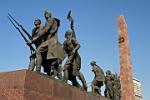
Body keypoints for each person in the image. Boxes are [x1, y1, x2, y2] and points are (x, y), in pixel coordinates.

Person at [32, 10, 65, 78]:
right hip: (50, 41)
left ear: (49, 14)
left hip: (51, 41)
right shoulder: (50, 21)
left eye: (46, 13)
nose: (45, 15)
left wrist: (35, 38)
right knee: (50, 61)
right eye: (45, 14)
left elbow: (45, 30)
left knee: (38, 51)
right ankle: (58, 76)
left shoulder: (50, 20)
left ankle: (38, 70)